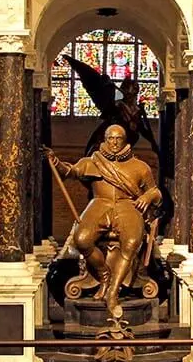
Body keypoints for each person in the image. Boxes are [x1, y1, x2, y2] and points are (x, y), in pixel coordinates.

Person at [48, 125, 161, 313]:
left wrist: (146, 197)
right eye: (110, 138)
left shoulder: (140, 167)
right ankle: (104, 275)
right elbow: (70, 172)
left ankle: (113, 292)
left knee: (132, 242)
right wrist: (55, 161)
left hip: (127, 205)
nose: (114, 142)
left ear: (125, 141)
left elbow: (155, 192)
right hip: (100, 203)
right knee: (82, 239)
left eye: (118, 138)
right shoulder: (93, 162)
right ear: (105, 139)